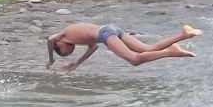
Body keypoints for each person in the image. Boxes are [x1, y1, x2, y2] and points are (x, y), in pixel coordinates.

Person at [46, 22, 202, 71]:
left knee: (134, 60)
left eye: (64, 53)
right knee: (147, 49)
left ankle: (170, 52)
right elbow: (93, 48)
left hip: (106, 34)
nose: (67, 53)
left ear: (58, 44)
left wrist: (51, 60)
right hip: (111, 29)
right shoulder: (76, 37)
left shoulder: (62, 35)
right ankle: (185, 34)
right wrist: (76, 64)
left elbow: (49, 39)